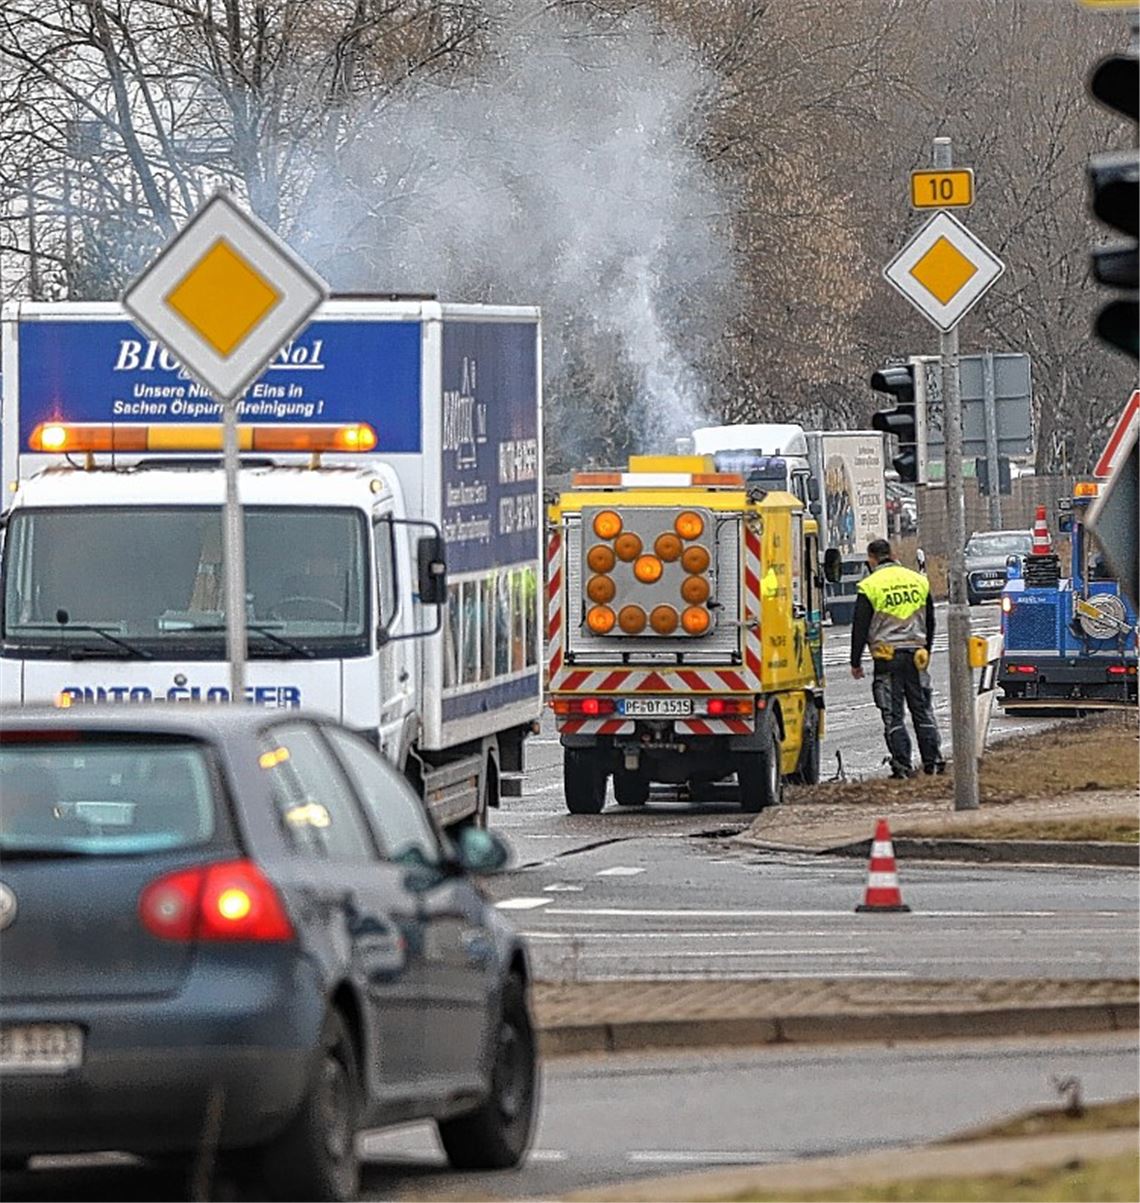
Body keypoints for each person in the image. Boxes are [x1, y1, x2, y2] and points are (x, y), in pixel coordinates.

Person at [850, 539, 945, 778]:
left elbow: (860, 627)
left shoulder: (870, 586)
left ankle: (902, 765)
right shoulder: (918, 580)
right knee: (922, 709)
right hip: (917, 655)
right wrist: (927, 650)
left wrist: (856, 661)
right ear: (892, 554)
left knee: (893, 714)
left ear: (872, 559)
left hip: (887, 659)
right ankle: (932, 761)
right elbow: (930, 621)